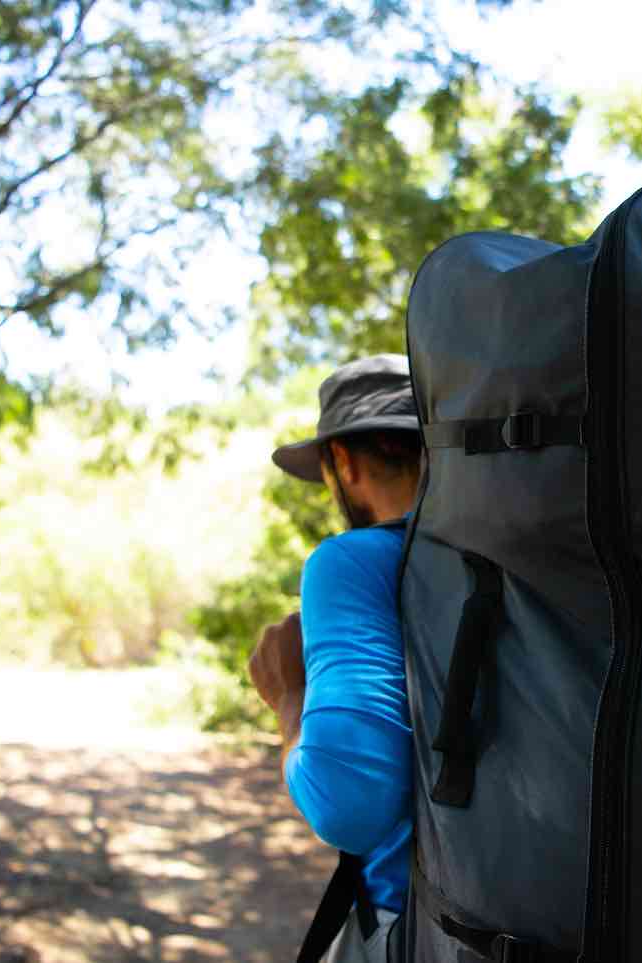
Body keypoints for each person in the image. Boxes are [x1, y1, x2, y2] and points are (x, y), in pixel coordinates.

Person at [249, 354, 421, 963]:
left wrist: (289, 698)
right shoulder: (546, 551)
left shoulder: (353, 563)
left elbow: (345, 805)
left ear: (343, 462)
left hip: (431, 928)